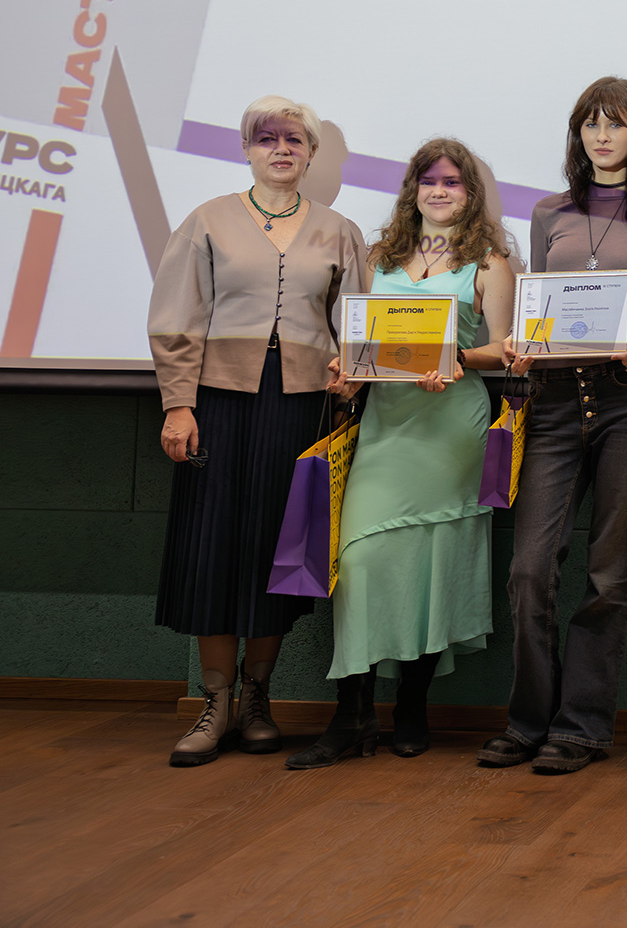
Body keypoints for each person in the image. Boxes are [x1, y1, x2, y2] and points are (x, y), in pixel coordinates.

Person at [148, 96, 366, 767]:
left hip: (299, 410)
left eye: (294, 139)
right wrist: (178, 404)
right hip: (215, 403)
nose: (281, 149)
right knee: (212, 546)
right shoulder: (207, 220)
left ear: (310, 153)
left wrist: (352, 372)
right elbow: (177, 317)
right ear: (247, 148)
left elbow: (357, 323)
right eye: (267, 138)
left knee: (281, 549)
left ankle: (256, 698)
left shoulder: (339, 230)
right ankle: (214, 703)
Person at [287, 139, 515, 769]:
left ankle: (412, 707)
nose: (439, 191)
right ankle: (352, 714)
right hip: (384, 426)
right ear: (413, 189)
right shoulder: (379, 256)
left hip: (451, 427)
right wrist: (347, 374)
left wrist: (455, 357)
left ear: (470, 193)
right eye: (428, 180)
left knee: (431, 564)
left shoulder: (490, 262)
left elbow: (505, 348)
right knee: (358, 562)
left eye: (453, 182)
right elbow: (359, 341)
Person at [478, 77, 627, 776]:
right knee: (529, 569)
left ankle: (582, 727)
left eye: (615, 123)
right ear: (578, 134)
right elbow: (538, 298)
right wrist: (521, 340)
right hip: (556, 398)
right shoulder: (548, 212)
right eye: (591, 123)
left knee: (607, 573)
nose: (602, 135)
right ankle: (529, 720)